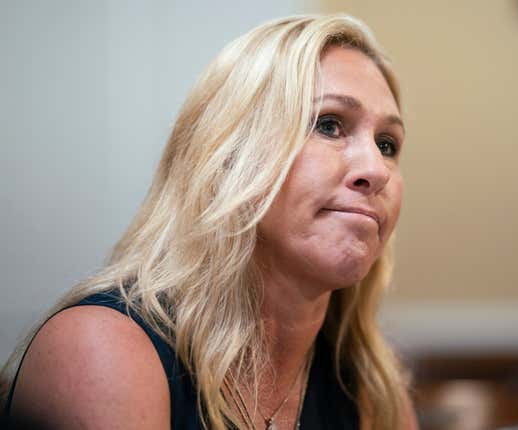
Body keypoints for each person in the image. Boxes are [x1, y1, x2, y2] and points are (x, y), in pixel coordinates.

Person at [0, 14, 418, 430]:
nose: (377, 170)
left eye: (387, 145)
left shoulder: (371, 389)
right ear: (228, 157)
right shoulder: (101, 351)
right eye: (328, 125)